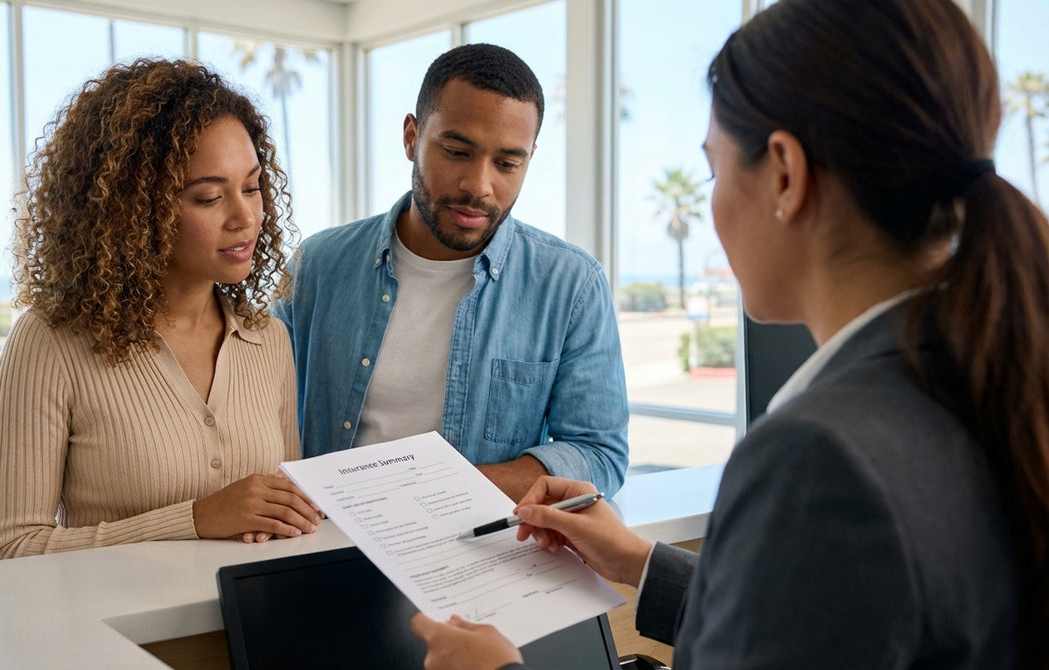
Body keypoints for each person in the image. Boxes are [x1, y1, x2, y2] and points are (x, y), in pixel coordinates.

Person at [411, 0, 1049, 667]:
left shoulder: (817, 458)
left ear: (783, 174)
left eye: (714, 169)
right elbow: (831, 625)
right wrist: (640, 562)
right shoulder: (992, 383)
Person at [0, 58, 322, 560]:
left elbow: (285, 519)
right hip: (112, 636)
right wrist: (195, 520)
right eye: (208, 197)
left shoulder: (266, 337)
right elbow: (8, 550)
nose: (245, 217)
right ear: (133, 209)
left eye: (251, 188)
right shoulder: (51, 340)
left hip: (257, 632)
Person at [274, 43, 629, 502]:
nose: (478, 186)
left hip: (478, 557)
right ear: (411, 137)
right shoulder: (317, 265)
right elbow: (258, 415)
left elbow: (599, 455)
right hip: (325, 550)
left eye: (507, 163)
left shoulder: (570, 285)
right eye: (457, 151)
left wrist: (430, 491)